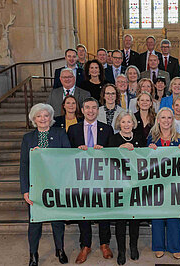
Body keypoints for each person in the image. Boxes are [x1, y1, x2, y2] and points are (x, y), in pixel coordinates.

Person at [20, 103, 70, 265]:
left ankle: (60, 249)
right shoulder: (28, 138)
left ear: (51, 118)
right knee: (35, 223)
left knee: (57, 220)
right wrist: (25, 189)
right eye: (39, 116)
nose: (43, 119)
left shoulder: (60, 133)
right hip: (36, 187)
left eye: (46, 115)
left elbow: (68, 159)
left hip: (56, 185)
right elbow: (24, 165)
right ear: (34, 119)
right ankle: (33, 254)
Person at [67, 97, 114, 264]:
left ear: (98, 110)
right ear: (82, 109)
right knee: (84, 212)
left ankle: (104, 243)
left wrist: (104, 152)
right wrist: (76, 151)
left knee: (103, 211)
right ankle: (85, 245)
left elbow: (113, 155)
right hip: (81, 179)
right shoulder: (73, 130)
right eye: (87, 107)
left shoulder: (107, 129)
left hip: (102, 179)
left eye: (94, 107)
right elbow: (66, 155)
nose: (91, 111)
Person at [107, 110, 145, 265]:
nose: (127, 124)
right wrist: (120, 148)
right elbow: (108, 159)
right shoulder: (113, 139)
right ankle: (121, 251)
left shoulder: (140, 137)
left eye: (129, 121)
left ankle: (133, 246)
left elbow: (145, 157)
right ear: (119, 124)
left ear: (133, 123)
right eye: (123, 122)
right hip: (119, 186)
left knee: (134, 220)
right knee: (121, 221)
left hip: (135, 185)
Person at [148, 107, 180, 259]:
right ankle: (158, 246)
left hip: (173, 184)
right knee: (157, 215)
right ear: (158, 120)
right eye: (163, 118)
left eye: (169, 118)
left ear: (173, 120)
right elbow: (145, 161)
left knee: (173, 216)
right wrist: (148, 150)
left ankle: (175, 246)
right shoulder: (152, 139)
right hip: (156, 184)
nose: (166, 121)